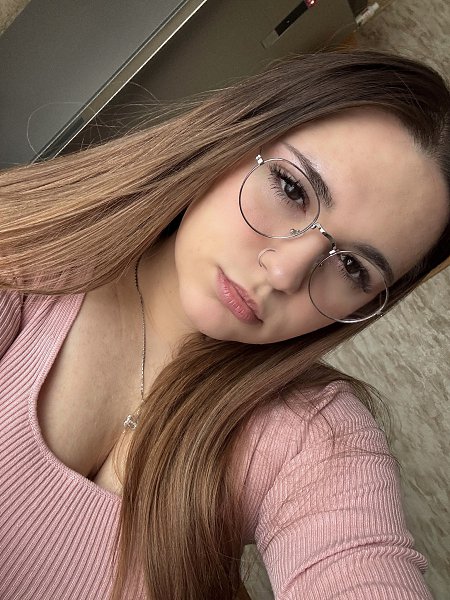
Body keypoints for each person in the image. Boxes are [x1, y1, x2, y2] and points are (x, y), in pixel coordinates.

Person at [0, 50, 448, 600]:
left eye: (353, 268)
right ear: (234, 137)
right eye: (292, 189)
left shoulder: (316, 437)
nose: (284, 272)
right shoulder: (25, 260)